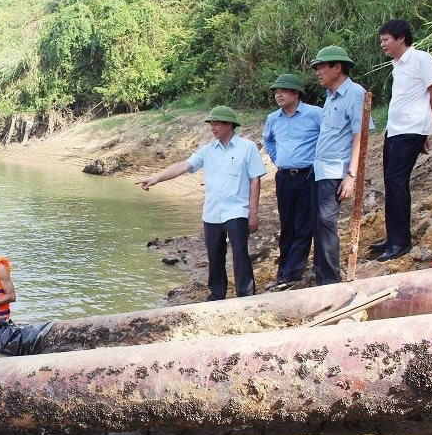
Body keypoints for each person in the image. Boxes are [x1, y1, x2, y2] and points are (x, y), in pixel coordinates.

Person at [137, 106, 267, 300]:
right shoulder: (207, 150)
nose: (212, 128)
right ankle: (216, 296)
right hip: (212, 212)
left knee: (240, 254)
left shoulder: (247, 147)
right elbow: (183, 165)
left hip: (237, 210)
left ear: (229, 124)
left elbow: (255, 180)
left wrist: (253, 213)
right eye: (211, 124)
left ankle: (246, 296)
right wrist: (156, 178)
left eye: (216, 124)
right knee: (214, 256)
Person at [370, 19, 432, 261]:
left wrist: (425, 129)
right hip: (394, 130)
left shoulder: (421, 59)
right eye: (381, 40)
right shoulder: (397, 65)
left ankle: (401, 243)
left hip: (411, 130)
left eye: (386, 39)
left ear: (401, 38)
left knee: (396, 182)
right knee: (391, 183)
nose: (382, 44)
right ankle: (392, 238)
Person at [310, 45, 372, 285]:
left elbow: (360, 136)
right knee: (319, 224)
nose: (318, 72)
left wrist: (351, 175)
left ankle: (330, 281)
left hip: (336, 171)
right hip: (320, 170)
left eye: (321, 67)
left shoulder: (355, 93)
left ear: (337, 68)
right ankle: (321, 277)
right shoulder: (330, 97)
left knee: (327, 222)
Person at [262, 74, 323, 289]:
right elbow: (268, 140)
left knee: (304, 225)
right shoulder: (273, 119)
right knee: (286, 224)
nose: (278, 95)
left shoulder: (315, 114)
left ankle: (292, 273)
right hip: (284, 177)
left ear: (296, 93)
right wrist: (276, 158)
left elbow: (328, 138)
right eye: (276, 91)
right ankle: (283, 271)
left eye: (283, 91)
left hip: (308, 175)